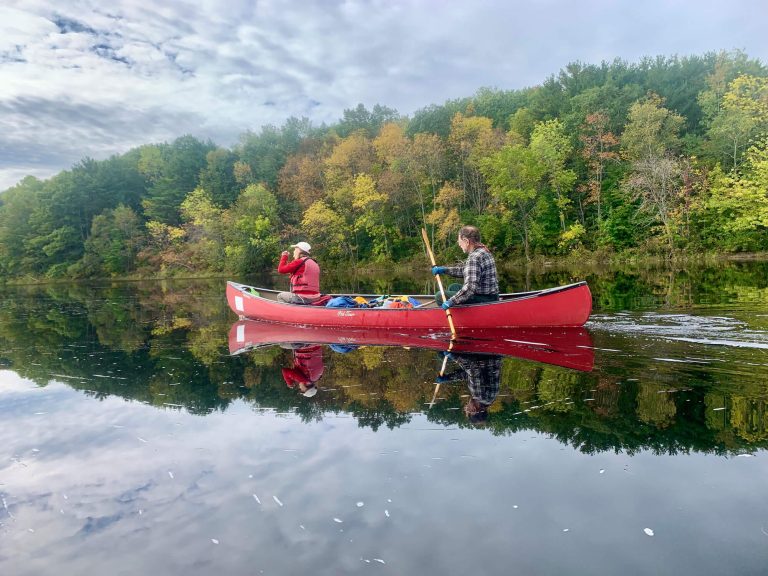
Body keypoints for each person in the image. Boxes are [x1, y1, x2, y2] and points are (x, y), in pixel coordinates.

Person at [430, 225, 499, 308]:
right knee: (454, 287)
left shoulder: (475, 257)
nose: (459, 244)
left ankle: (453, 312)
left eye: (459, 241)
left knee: (439, 296)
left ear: (466, 241)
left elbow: (470, 288)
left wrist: (452, 301)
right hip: (491, 296)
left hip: (485, 299)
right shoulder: (483, 250)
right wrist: (444, 270)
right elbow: (465, 270)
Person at [436, 352, 502, 424]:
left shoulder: (488, 401)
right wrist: (455, 357)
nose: (466, 406)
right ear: (474, 410)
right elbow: (473, 369)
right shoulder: (479, 396)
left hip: (492, 359)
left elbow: (468, 375)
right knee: (443, 355)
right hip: (485, 357)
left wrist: (448, 378)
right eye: (468, 410)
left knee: (443, 356)